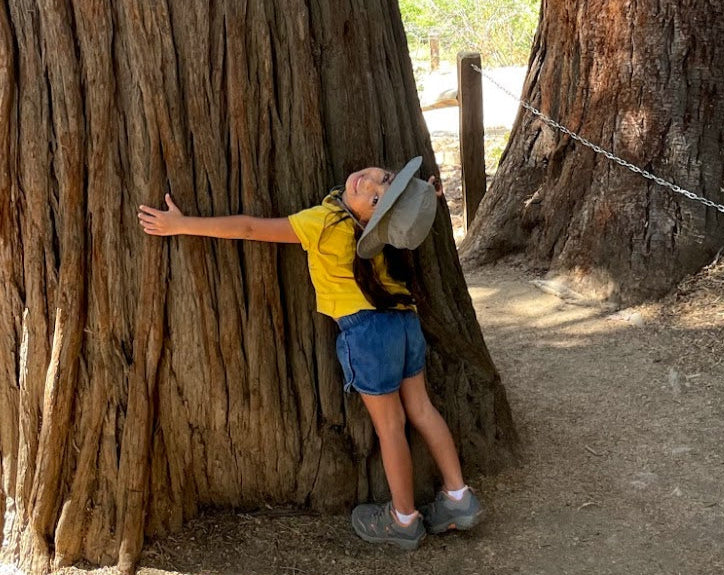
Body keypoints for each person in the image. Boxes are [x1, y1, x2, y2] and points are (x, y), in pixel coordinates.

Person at [138, 156, 482, 551]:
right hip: (404, 320)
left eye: (376, 198)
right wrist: (425, 197)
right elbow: (403, 212)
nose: (367, 184)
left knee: (391, 427)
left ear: (376, 218)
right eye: (382, 179)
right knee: (421, 409)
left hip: (368, 333)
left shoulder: (325, 222)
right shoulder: (385, 229)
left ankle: (403, 519)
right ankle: (459, 497)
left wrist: (181, 225)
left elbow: (250, 228)